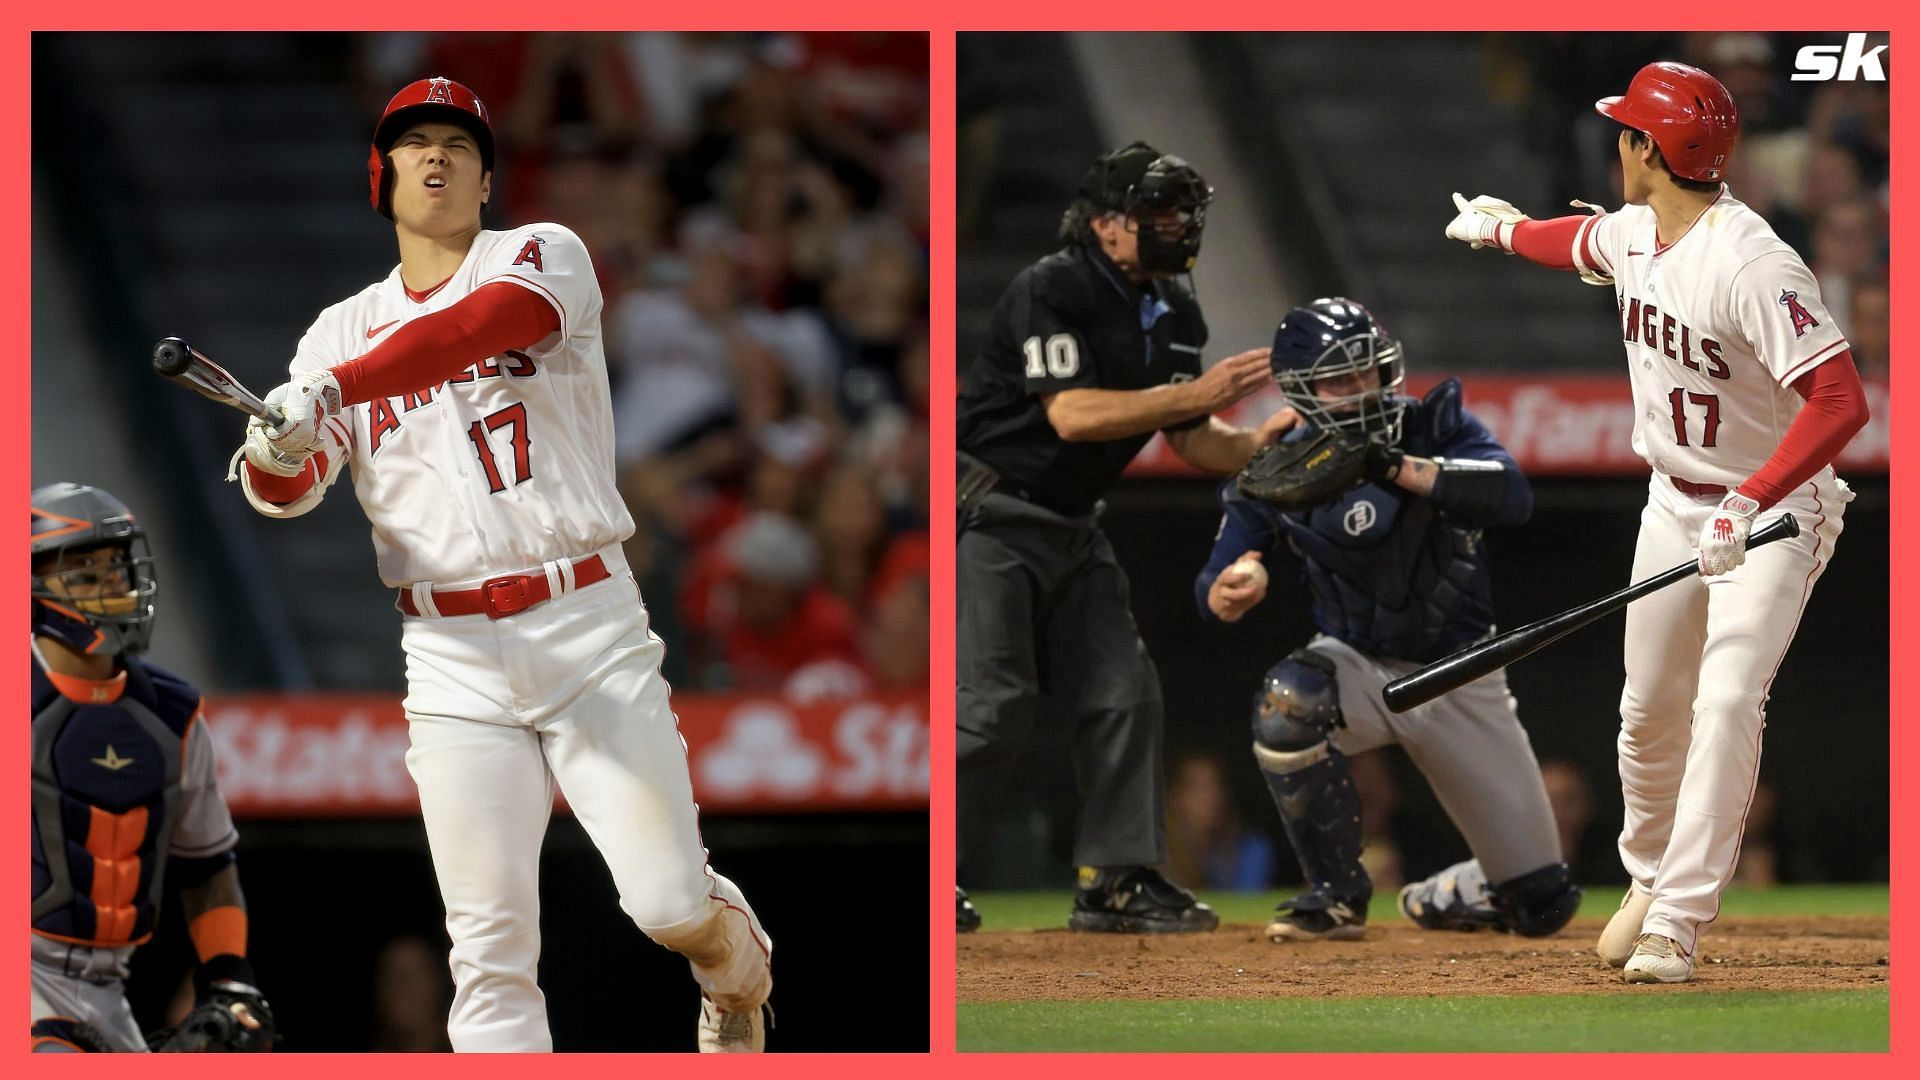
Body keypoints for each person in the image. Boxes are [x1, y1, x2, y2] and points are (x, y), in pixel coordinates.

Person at [229, 77, 771, 1050]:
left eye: (457, 143)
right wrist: (276, 450)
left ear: (486, 179)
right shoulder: (334, 331)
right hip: (447, 651)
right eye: (412, 144)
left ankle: (733, 969)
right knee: (485, 953)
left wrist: (332, 388)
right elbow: (292, 487)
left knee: (663, 904)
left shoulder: (540, 254)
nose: (434, 155)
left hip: (585, 626)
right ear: (380, 178)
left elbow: (471, 331)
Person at [1445, 60, 1869, 983]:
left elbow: (1840, 402)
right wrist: (1506, 229)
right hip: (1675, 501)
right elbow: (1584, 242)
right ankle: (1648, 874)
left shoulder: (1754, 261)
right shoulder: (1641, 230)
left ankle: (1677, 918)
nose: (1617, 144)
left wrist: (1753, 497)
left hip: (1774, 512)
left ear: (1648, 148)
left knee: (1724, 702)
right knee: (1644, 715)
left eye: (1629, 133)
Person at [956, 140, 1291, 934]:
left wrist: (1251, 446)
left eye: (1183, 212)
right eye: (1157, 213)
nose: (1177, 226)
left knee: (1125, 689)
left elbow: (1189, 436)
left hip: (1075, 524)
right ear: (1107, 225)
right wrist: (1199, 393)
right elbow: (1071, 415)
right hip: (993, 513)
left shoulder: (1175, 308)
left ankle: (1117, 879)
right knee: (991, 708)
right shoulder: (1054, 286)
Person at [1196, 299, 1580, 945]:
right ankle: (1336, 895)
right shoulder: (1277, 465)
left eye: (1368, 372)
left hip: (1461, 671)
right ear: (1300, 391)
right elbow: (1215, 577)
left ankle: (1456, 891)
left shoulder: (1432, 426)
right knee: (1289, 704)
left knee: (1542, 905)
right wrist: (1236, 582)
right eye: (1339, 380)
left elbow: (1511, 495)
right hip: (1360, 666)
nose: (1361, 389)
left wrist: (1394, 468)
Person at [30, 483, 273, 1052]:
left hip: (111, 985)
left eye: (117, 569)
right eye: (86, 573)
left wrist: (227, 980)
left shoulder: (173, 711)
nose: (113, 587)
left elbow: (207, 865)